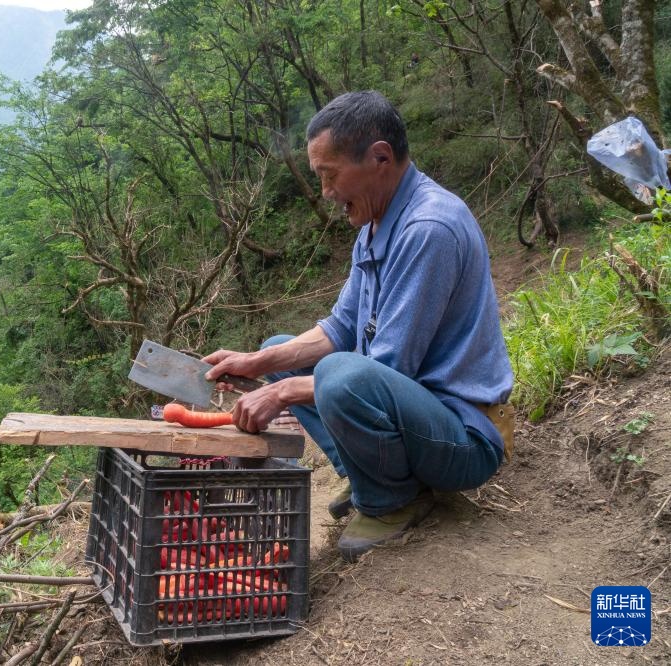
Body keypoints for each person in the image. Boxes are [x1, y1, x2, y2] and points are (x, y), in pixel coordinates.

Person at [203, 90, 513, 562]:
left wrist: (281, 395)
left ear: (380, 158)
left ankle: (393, 498)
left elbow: (387, 368)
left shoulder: (428, 229)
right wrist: (257, 362)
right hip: (414, 417)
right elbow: (341, 327)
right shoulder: (375, 224)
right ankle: (371, 473)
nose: (326, 192)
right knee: (281, 349)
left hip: (461, 437)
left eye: (330, 175)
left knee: (338, 376)